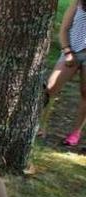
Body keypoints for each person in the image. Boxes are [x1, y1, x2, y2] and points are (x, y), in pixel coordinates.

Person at [42, 0, 86, 147]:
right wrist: (67, 51)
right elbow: (64, 29)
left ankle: (75, 132)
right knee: (50, 87)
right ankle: (40, 125)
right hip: (72, 50)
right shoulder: (78, 3)